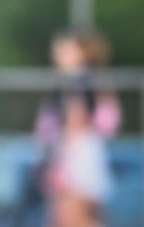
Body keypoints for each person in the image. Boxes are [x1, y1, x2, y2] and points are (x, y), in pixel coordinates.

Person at [35, 29, 120, 227]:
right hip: (81, 153)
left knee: (71, 217)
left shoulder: (77, 83)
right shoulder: (86, 81)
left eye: (65, 51)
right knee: (75, 216)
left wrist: (59, 162)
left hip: (76, 156)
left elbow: (76, 122)